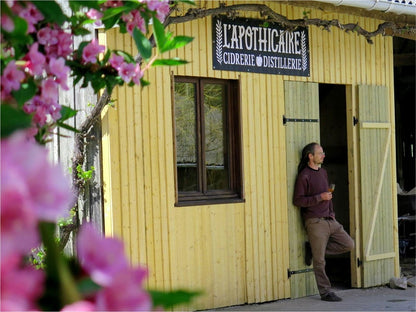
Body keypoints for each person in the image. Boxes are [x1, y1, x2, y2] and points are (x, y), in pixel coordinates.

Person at [293, 142, 354, 302]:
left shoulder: (323, 173)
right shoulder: (304, 175)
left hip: (330, 219)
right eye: (320, 153)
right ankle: (325, 292)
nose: (323, 155)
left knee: (348, 244)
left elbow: (328, 195)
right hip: (315, 222)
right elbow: (298, 200)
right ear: (310, 156)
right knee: (320, 261)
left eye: (323, 152)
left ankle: (312, 250)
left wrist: (332, 212)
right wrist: (320, 197)